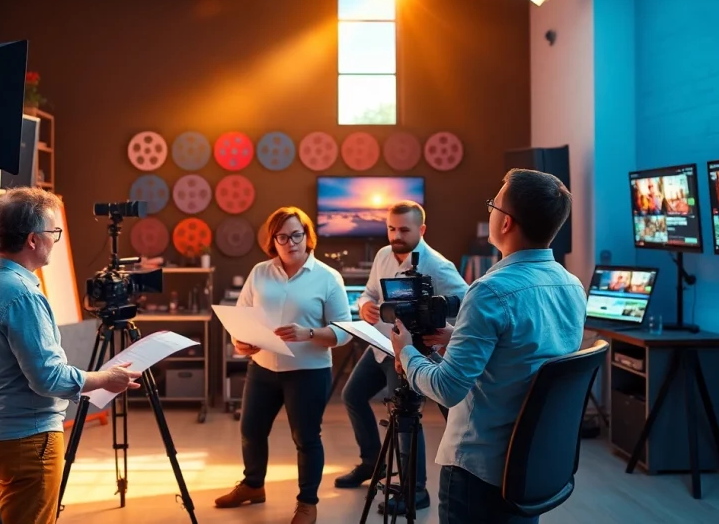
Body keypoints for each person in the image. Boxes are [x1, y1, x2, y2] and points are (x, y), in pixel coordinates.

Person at [389, 168, 586, 524]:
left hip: (479, 473)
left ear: (506, 223)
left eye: (493, 205)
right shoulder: (571, 285)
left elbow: (448, 389)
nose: (490, 211)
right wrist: (459, 337)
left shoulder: (491, 290)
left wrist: (406, 351)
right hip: (530, 466)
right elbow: (525, 355)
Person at [0, 187, 142, 524]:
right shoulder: (22, 295)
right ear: (33, 240)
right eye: (54, 232)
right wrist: (106, 380)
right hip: (26, 440)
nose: (57, 239)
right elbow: (48, 377)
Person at [214, 206, 352, 524]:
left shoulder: (328, 277)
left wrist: (310, 333)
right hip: (262, 367)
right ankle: (252, 485)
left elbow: (345, 331)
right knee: (251, 430)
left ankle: (307, 502)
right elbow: (241, 316)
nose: (290, 242)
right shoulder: (260, 272)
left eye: (296, 235)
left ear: (307, 236)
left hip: (308, 371)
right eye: (282, 237)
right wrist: (239, 342)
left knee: (306, 437)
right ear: (273, 241)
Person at [335, 201, 469, 515]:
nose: (396, 235)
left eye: (404, 230)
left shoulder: (436, 264)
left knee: (406, 419)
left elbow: (466, 299)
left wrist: (436, 312)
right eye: (391, 228)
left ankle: (416, 491)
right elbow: (369, 293)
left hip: (411, 350)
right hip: (380, 343)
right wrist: (365, 306)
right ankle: (372, 464)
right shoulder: (383, 255)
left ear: (421, 230)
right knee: (352, 396)